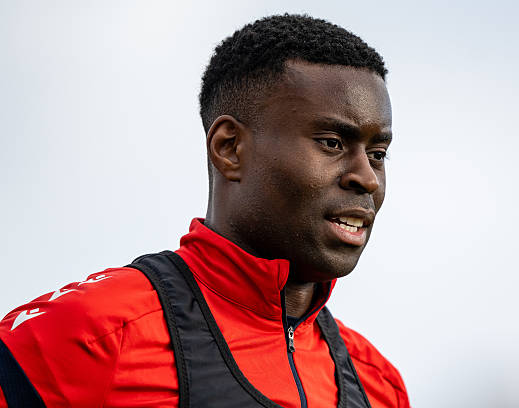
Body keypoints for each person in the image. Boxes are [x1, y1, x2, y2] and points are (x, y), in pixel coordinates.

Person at [0, 14, 409, 408]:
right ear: (230, 148)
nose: (367, 178)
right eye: (332, 143)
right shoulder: (93, 333)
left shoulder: (379, 384)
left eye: (377, 153)